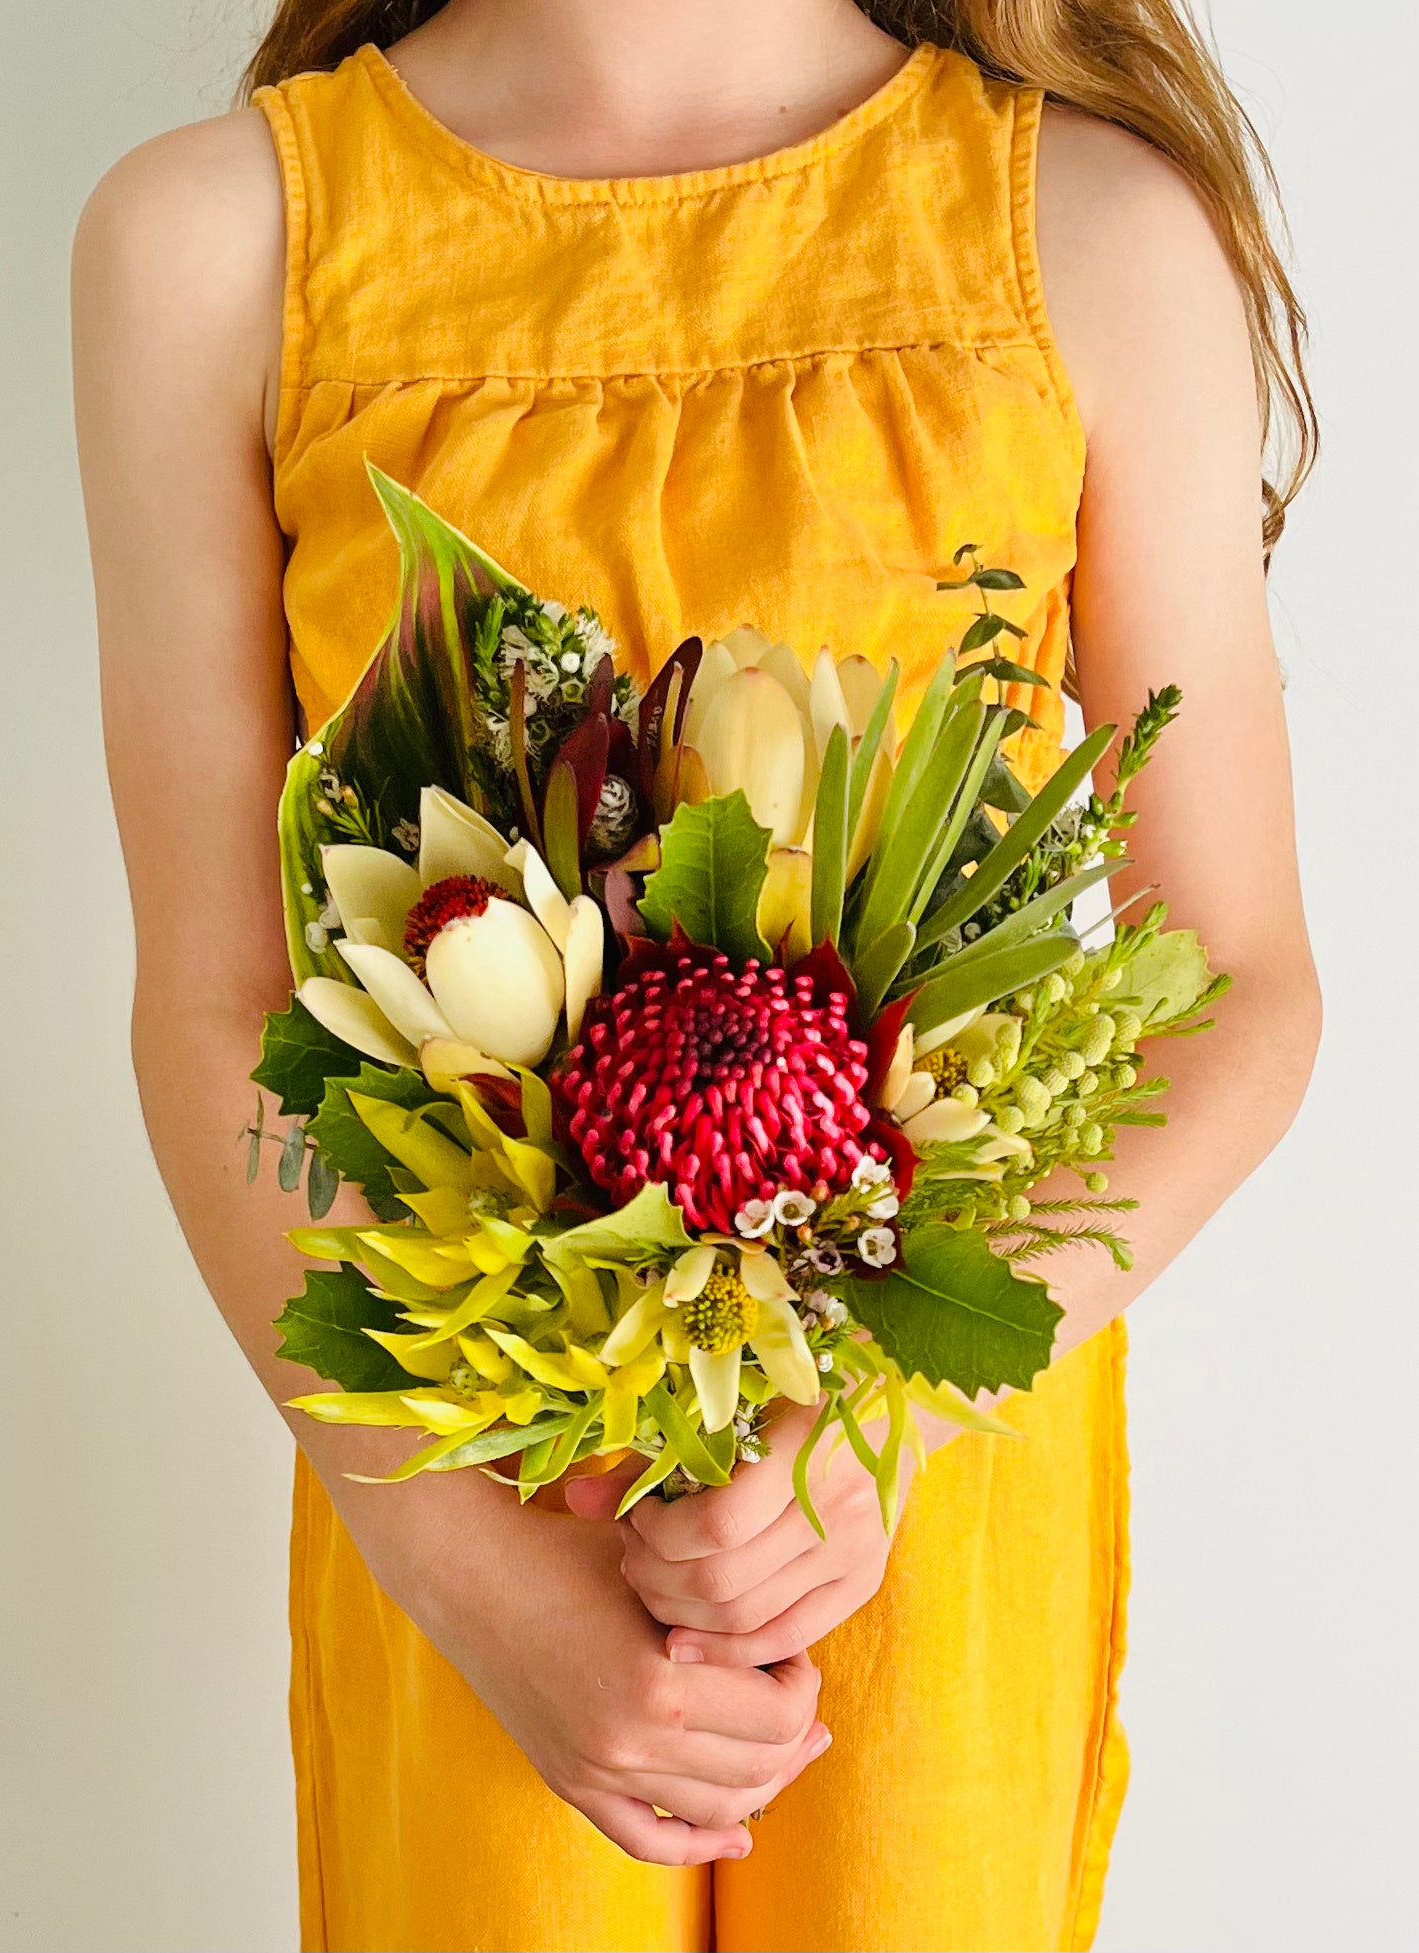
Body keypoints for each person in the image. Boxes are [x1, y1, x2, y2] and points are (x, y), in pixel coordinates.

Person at [72, 1, 1321, 1946]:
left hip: (926, 1494)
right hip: (473, 1476)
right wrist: (464, 1568)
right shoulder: (214, 245)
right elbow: (215, 1006)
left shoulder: (1083, 228)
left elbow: (1235, 975)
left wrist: (887, 1410)